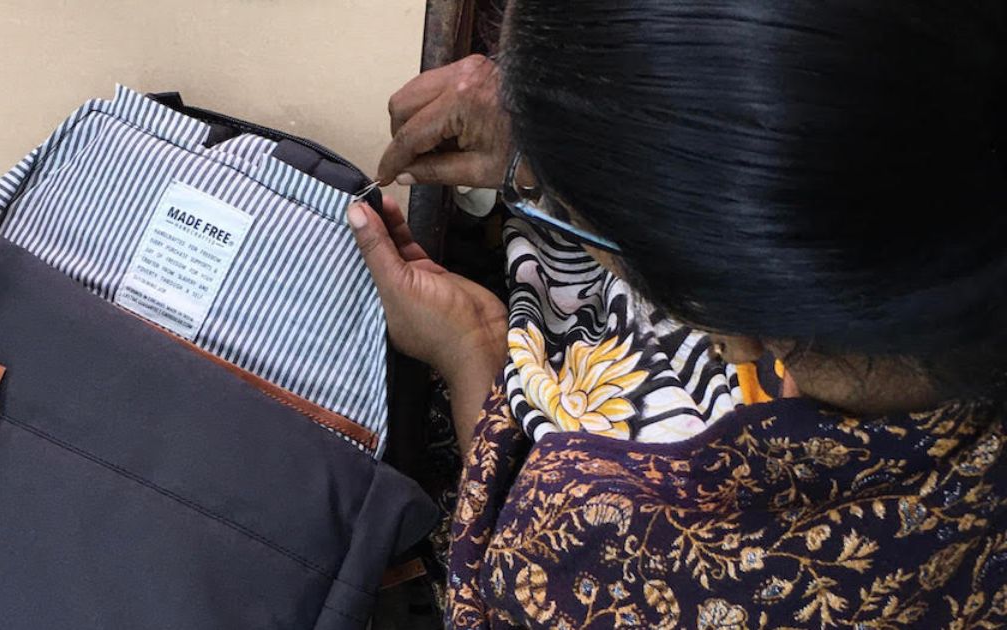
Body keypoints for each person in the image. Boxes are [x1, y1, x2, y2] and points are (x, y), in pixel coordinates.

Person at [346, 1, 1007, 628]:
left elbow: (505, 592)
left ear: (727, 330)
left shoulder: (619, 554)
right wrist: (570, 114)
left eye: (576, 220)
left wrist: (472, 347)